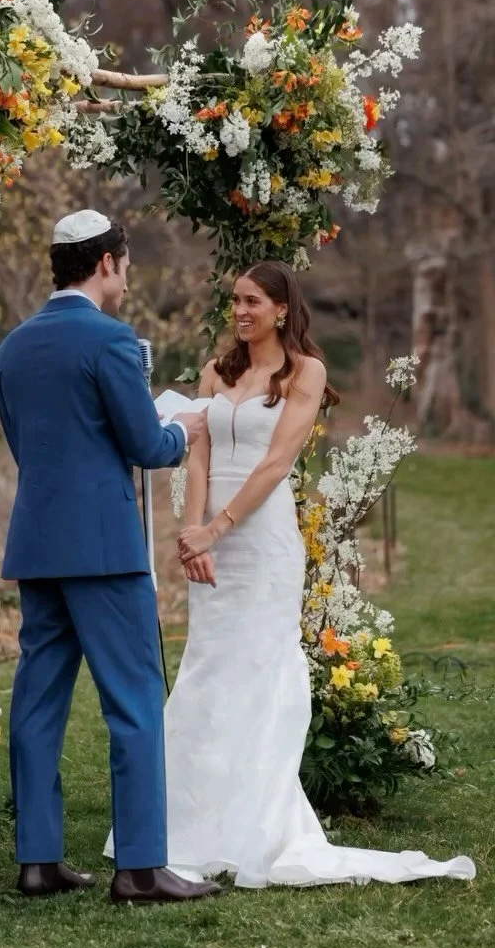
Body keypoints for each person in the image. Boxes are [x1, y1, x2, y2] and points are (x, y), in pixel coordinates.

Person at [159, 260, 475, 888]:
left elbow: (277, 463)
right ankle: (188, 824)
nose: (240, 311)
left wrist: (218, 528)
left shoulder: (307, 372)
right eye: (235, 301)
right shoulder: (215, 372)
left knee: (260, 669)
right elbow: (198, 456)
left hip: (261, 540)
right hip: (210, 541)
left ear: (282, 308)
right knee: (207, 667)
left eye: (253, 301)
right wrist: (193, 534)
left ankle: (255, 826)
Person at [0, 210, 222, 904]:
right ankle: (141, 867)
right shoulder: (112, 340)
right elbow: (146, 446)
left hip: (38, 542)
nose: (126, 280)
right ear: (105, 264)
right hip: (104, 549)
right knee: (134, 701)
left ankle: (38, 860)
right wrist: (182, 430)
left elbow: (25, 445)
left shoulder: (12, 346)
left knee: (37, 701)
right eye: (125, 267)